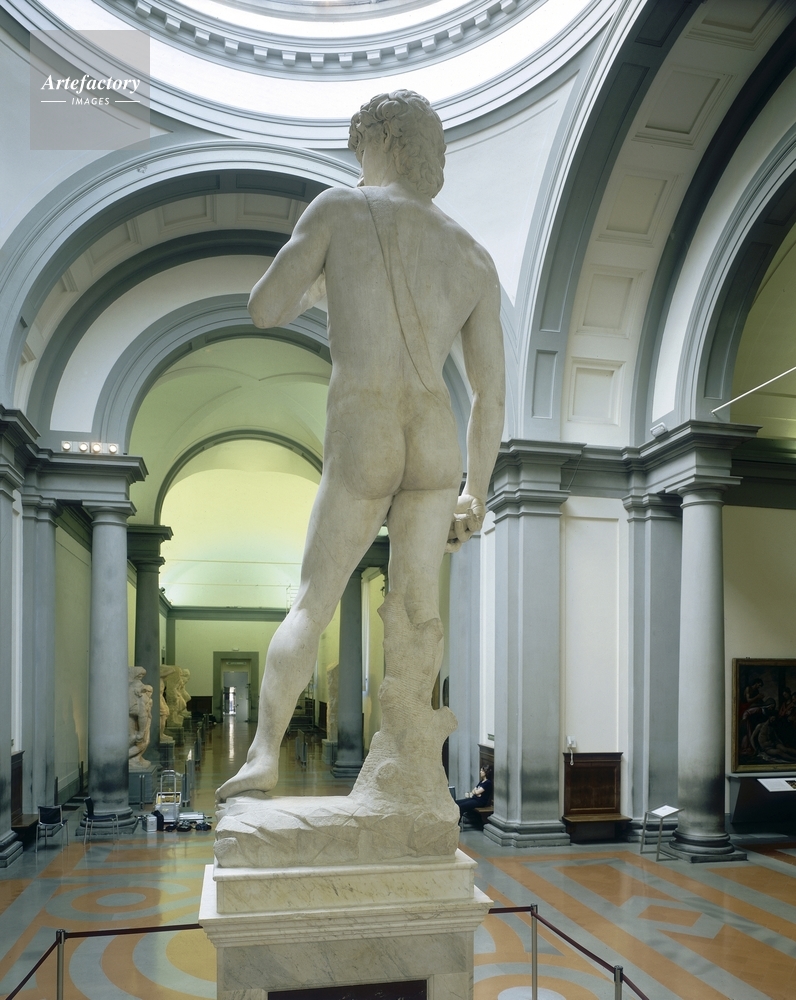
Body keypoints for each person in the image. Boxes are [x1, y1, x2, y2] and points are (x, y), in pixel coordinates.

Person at [217, 90, 504, 801]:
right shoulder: (473, 255)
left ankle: (263, 756)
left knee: (313, 603)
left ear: (382, 141)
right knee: (417, 613)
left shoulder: (339, 208)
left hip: (365, 427)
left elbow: (265, 306)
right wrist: (476, 492)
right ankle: (412, 773)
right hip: (435, 441)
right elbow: (490, 396)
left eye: (361, 147)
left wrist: (324, 285)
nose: (358, 161)